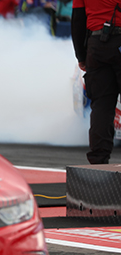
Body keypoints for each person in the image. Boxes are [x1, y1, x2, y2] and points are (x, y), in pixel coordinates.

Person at [71, 0, 121, 164]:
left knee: (101, 106)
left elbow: (77, 19)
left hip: (97, 44)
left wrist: (81, 55)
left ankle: (99, 161)